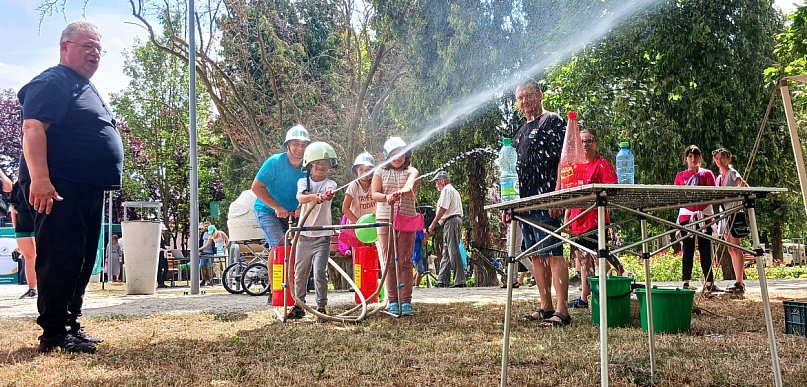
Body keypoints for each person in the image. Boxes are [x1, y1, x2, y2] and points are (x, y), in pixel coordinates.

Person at [18, 21, 123, 353]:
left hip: (85, 187)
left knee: (80, 259)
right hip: (58, 185)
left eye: (98, 48)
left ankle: (70, 324)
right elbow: (33, 127)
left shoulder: (82, 85)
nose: (94, 54)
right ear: (65, 48)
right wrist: (40, 179)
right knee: (61, 258)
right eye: (86, 46)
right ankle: (53, 333)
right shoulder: (54, 81)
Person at [512, 82, 570, 327]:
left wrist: (557, 194)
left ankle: (562, 309)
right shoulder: (520, 131)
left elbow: (564, 160)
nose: (524, 102)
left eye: (528, 96)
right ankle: (545, 306)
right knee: (536, 255)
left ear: (539, 96)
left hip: (547, 198)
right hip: (526, 201)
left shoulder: (553, 121)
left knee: (554, 253)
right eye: (520, 98)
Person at [284, 142, 338, 320]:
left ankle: (321, 307)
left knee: (319, 272)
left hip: (322, 235)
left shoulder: (331, 183)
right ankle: (299, 305)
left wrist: (326, 195)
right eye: (317, 163)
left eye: (325, 163)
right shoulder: (303, 182)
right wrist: (315, 197)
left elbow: (331, 192)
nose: (321, 166)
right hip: (303, 235)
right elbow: (300, 197)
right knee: (300, 273)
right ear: (309, 164)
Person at [564, 129, 617, 308]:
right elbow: (570, 196)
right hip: (576, 219)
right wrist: (567, 218)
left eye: (589, 141)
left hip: (596, 219)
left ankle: (607, 290)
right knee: (582, 260)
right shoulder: (574, 166)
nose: (585, 144)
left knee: (599, 257)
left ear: (596, 143)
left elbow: (612, 191)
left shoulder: (602, 165)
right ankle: (584, 297)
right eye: (582, 141)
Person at [371, 137, 419, 316]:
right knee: (389, 260)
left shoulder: (412, 170)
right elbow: (374, 194)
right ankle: (392, 300)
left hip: (407, 217)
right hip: (385, 219)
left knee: (405, 260)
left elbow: (410, 185)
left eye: (401, 153)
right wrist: (387, 198)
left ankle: (406, 300)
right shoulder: (380, 172)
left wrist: (401, 192)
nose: (398, 157)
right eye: (393, 153)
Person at [675, 145, 721, 293]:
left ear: (700, 158)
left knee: (705, 249)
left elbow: (712, 193)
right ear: (685, 158)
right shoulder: (680, 176)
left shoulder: (707, 174)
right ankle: (686, 283)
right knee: (687, 249)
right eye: (690, 156)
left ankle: (709, 283)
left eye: (696, 156)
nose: (693, 159)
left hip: (704, 216)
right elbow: (677, 196)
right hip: (686, 215)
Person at [713, 147, 748, 294]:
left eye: (722, 158)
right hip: (724, 214)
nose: (719, 161)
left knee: (736, 246)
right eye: (717, 158)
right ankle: (737, 281)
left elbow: (743, 185)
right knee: (731, 248)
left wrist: (738, 197)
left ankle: (740, 282)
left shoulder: (732, 173)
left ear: (728, 159)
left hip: (734, 213)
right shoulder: (718, 178)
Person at [428, 171, 465, 288]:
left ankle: (460, 280)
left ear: (442, 181)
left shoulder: (447, 190)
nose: (436, 185)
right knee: (447, 251)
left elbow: (443, 208)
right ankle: (442, 280)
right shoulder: (452, 190)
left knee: (453, 250)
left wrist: (433, 224)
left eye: (436, 182)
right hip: (449, 222)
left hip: (451, 221)